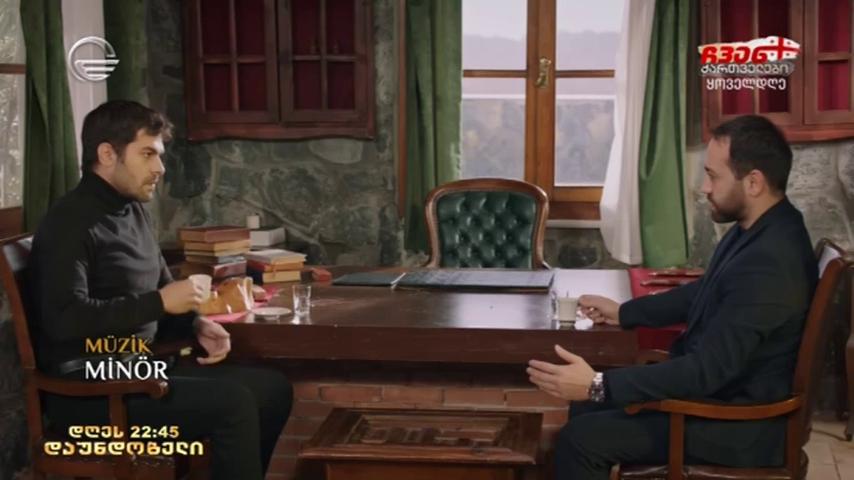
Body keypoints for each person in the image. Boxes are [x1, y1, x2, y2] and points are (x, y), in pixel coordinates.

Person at [527, 115, 818, 479]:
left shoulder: (770, 261)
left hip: (740, 425)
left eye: (713, 176)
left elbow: (707, 370)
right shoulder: (763, 227)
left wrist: (598, 384)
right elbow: (704, 292)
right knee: (585, 410)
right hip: (724, 398)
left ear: (754, 182)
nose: (704, 187)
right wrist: (625, 312)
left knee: (580, 439)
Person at [29, 100, 292, 480]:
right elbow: (63, 319)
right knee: (233, 404)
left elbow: (163, 288)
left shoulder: (132, 209)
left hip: (141, 370)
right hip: (91, 393)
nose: (160, 168)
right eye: (147, 154)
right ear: (107, 154)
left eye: (160, 155)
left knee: (273, 390)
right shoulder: (69, 222)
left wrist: (195, 325)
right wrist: (159, 303)